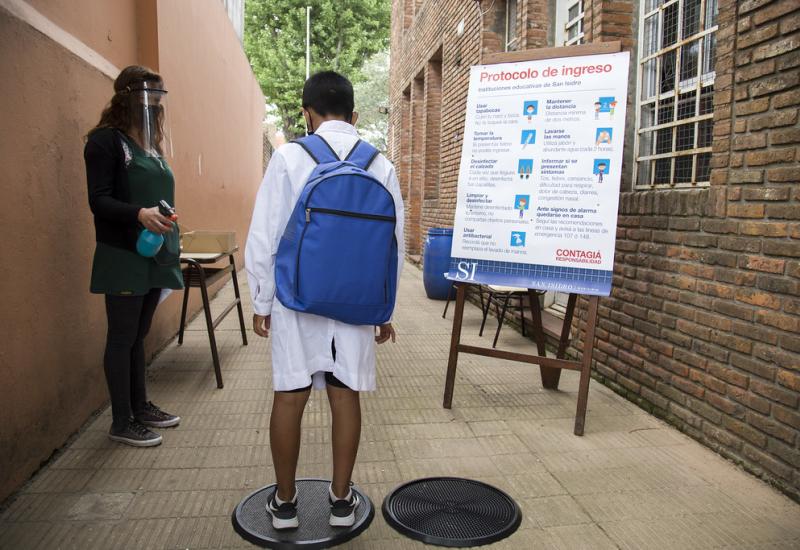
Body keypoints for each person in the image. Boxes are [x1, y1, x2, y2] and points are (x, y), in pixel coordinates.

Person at [245, 71, 405, 530]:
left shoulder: (289, 158)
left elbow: (265, 236)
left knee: (290, 395)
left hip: (297, 299)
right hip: (356, 304)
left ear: (306, 114)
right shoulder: (381, 165)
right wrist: (384, 310)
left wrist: (262, 300)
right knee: (345, 393)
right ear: (354, 115)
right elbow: (392, 243)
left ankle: (285, 504)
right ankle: (340, 502)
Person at [84, 66, 183, 447]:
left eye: (159, 99)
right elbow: (99, 200)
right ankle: (121, 420)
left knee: (139, 335)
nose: (155, 105)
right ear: (126, 97)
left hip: (153, 252)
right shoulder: (105, 143)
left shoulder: (150, 146)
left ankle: (140, 406)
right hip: (123, 253)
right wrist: (139, 214)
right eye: (148, 98)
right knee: (122, 336)